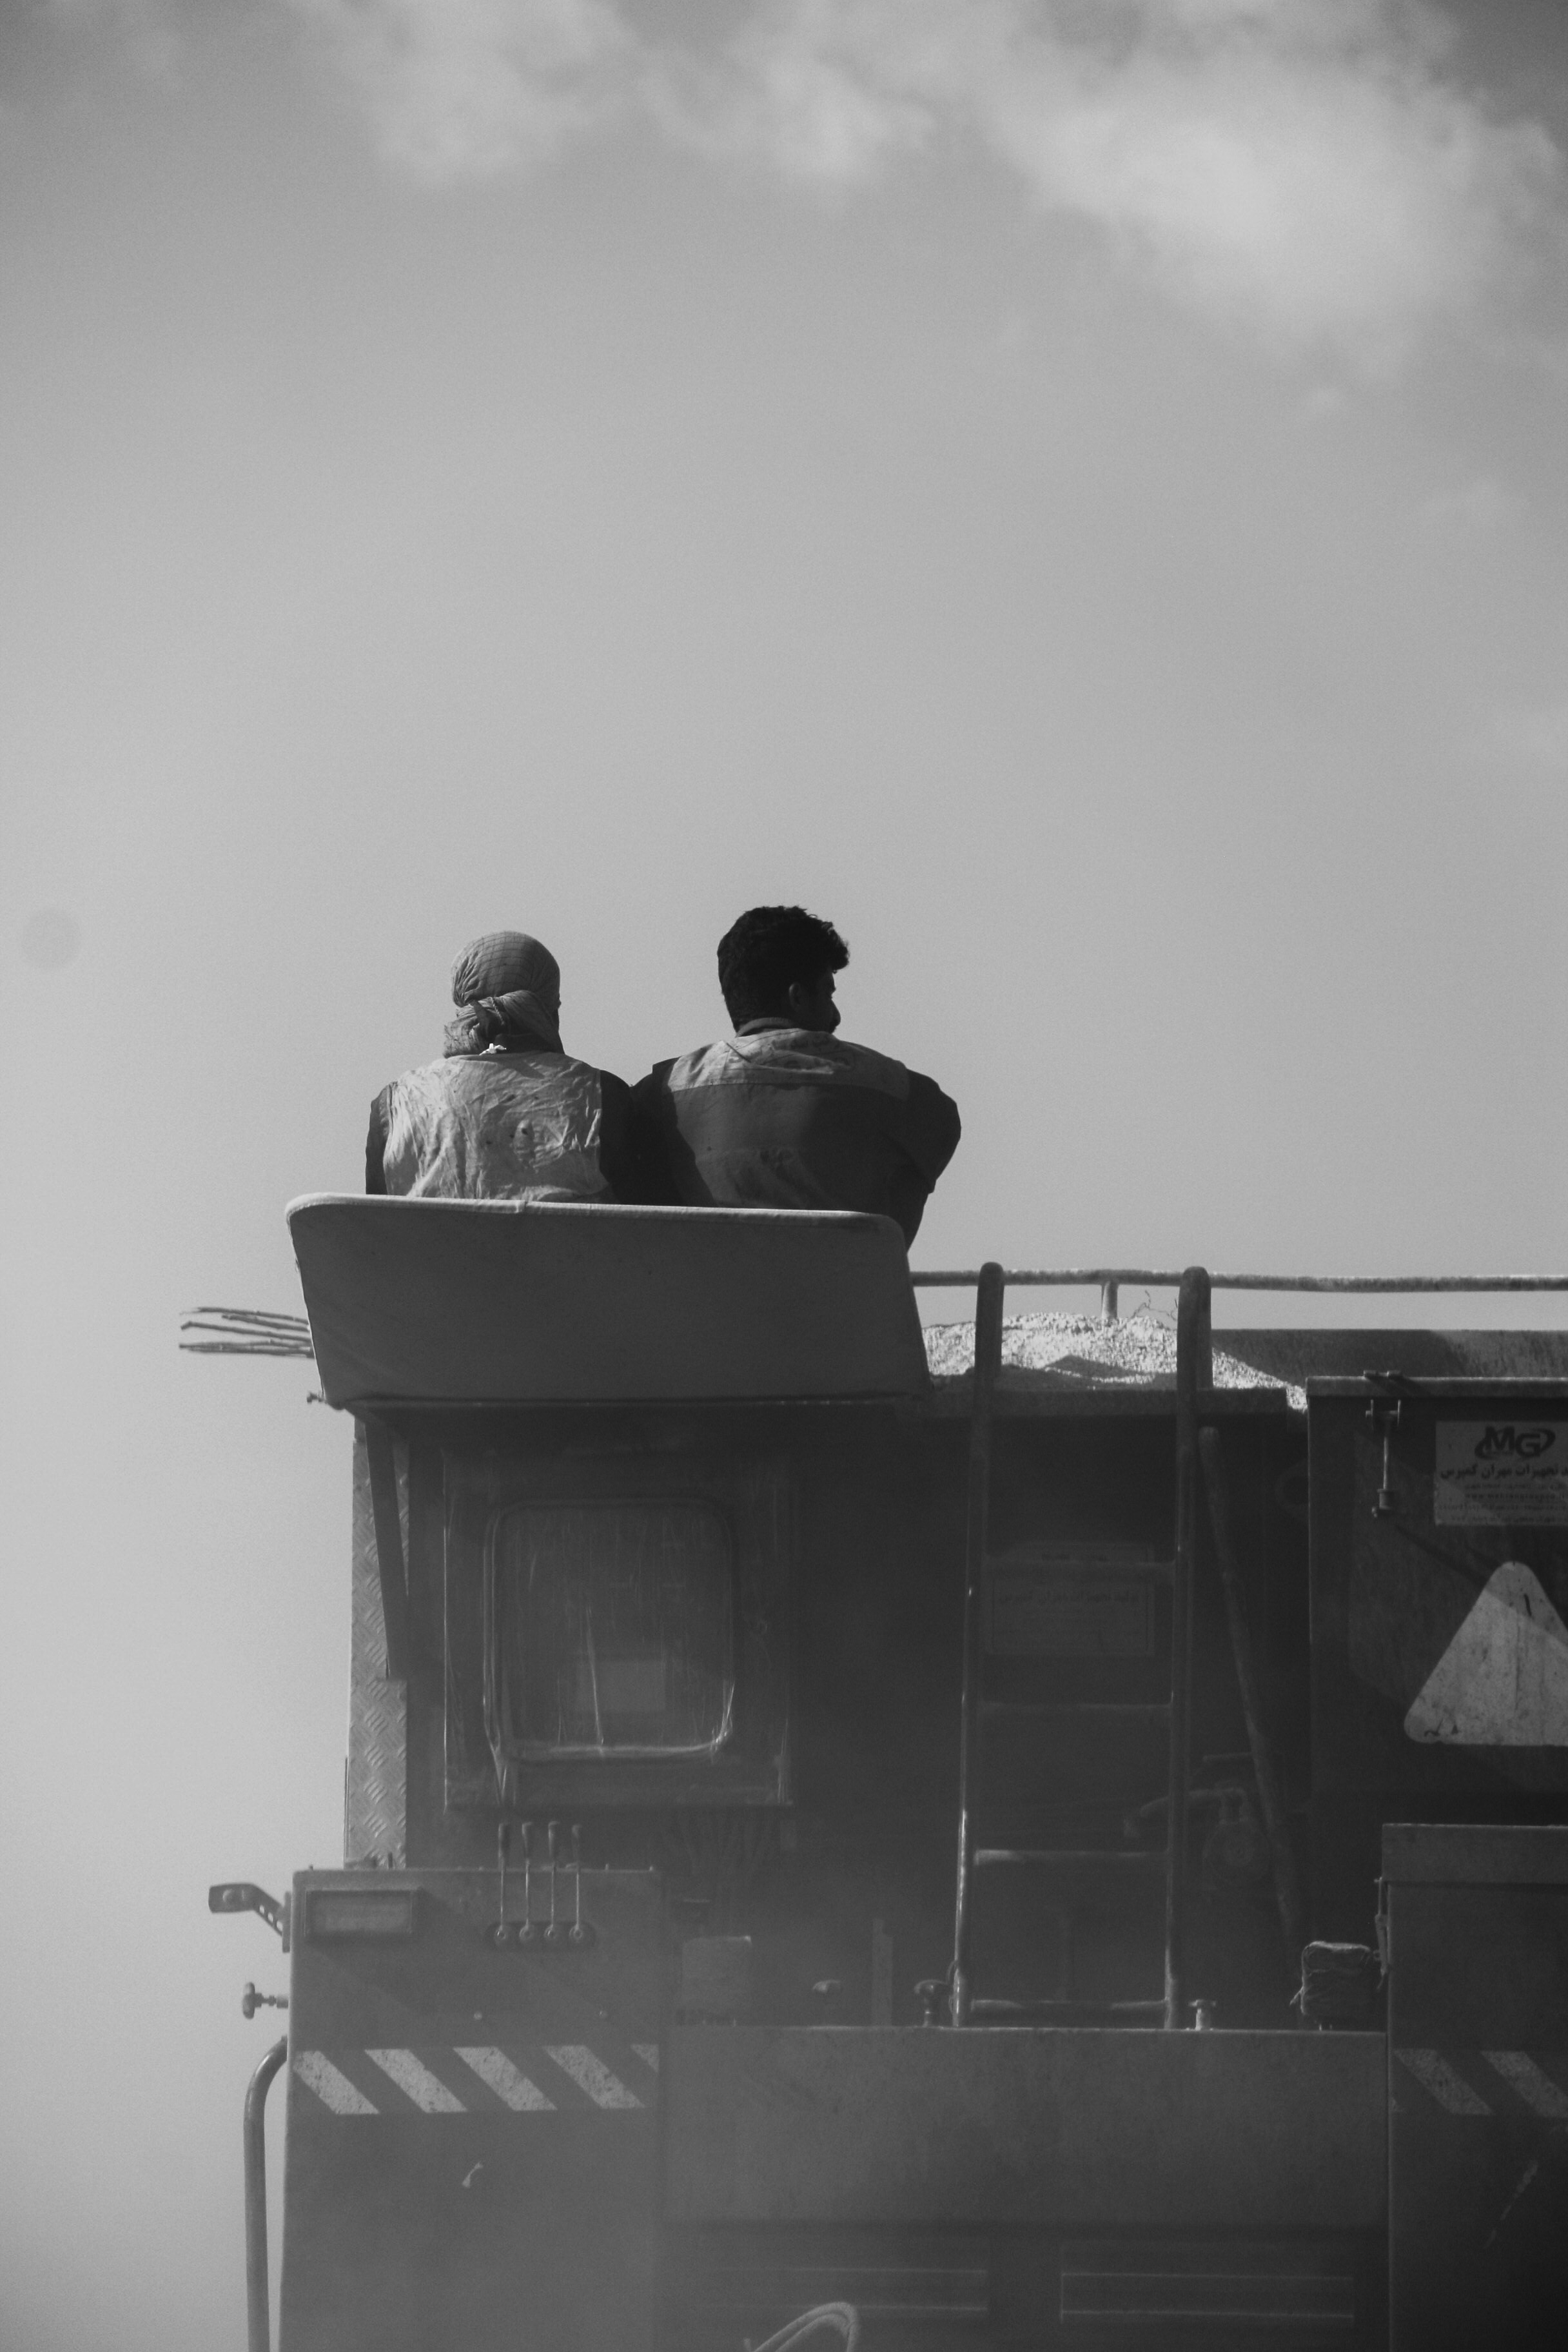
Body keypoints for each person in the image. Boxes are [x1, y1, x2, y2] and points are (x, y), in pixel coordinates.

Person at [631, 905, 960, 1242]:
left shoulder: (662, 1091)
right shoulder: (897, 1091)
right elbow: (936, 1139)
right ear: (798, 997)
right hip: (842, 1275)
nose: (836, 1015)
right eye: (828, 993)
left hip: (706, 1275)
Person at [366, 930, 638, 1201]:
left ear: (463, 1001)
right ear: (550, 1009)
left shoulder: (394, 1104)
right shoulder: (601, 1092)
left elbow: (374, 1219)